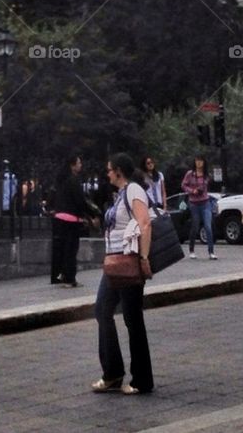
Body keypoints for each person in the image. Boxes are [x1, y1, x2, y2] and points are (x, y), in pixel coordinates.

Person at [92, 153, 153, 396]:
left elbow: (144, 223)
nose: (107, 174)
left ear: (118, 171)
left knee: (132, 318)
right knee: (102, 310)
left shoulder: (133, 190)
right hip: (115, 263)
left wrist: (144, 258)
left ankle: (141, 379)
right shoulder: (120, 195)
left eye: (109, 170)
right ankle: (113, 373)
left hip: (129, 262)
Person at [50, 153, 89, 287]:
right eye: (79, 163)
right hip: (71, 219)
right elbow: (79, 201)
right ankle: (69, 278)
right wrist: (86, 216)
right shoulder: (74, 180)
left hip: (59, 217)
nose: (80, 165)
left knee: (60, 249)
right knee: (71, 250)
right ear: (73, 165)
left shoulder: (61, 180)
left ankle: (57, 276)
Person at [181, 154, 217, 259]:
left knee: (208, 226)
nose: (199, 163)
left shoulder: (206, 175)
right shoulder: (190, 174)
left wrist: (201, 189)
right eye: (197, 161)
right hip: (194, 203)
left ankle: (211, 251)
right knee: (195, 226)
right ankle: (191, 249)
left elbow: (205, 185)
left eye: (201, 161)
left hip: (205, 202)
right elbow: (183, 185)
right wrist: (192, 191)